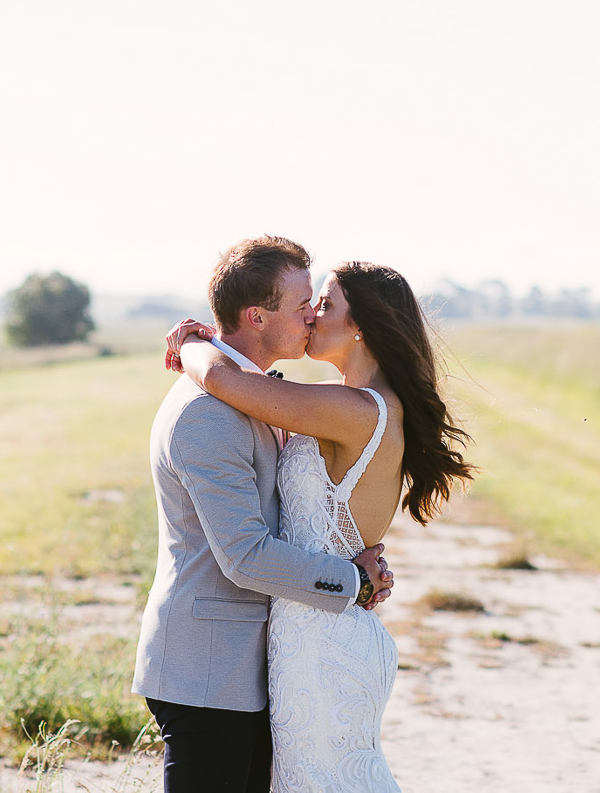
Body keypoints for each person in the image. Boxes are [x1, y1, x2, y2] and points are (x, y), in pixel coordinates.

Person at [164, 252, 477, 793]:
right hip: (319, 630)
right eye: (308, 304)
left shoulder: (354, 408)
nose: (311, 316)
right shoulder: (363, 405)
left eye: (324, 305)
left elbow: (220, 378)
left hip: (323, 640)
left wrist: (192, 344)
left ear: (358, 327)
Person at [133, 236, 396, 793]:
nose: (310, 317)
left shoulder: (252, 395)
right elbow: (247, 555)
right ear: (257, 315)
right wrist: (354, 581)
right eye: (303, 306)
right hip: (208, 666)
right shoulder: (209, 414)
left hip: (255, 665)